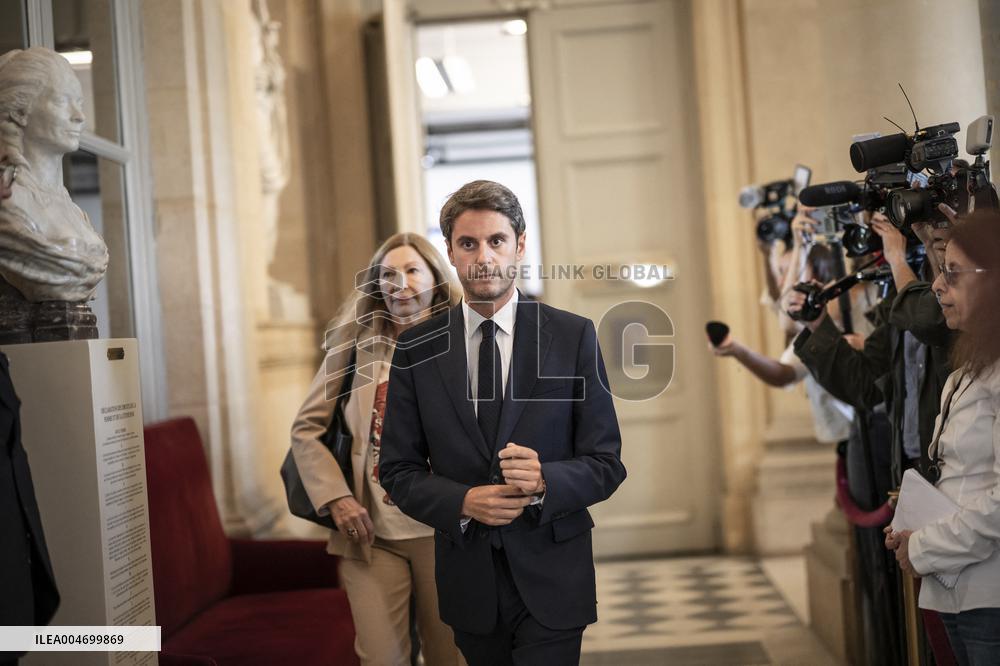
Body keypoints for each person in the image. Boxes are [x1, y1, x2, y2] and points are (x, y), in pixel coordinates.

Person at [379, 180, 627, 665]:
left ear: (520, 245)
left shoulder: (572, 336)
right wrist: (464, 500)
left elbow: (607, 463)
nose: (484, 257)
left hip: (555, 576)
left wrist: (545, 480)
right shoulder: (415, 348)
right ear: (449, 251)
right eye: (468, 244)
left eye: (496, 241)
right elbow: (397, 469)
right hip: (470, 584)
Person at [290, 233, 464, 666]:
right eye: (387, 274)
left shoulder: (466, 343)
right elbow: (306, 429)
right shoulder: (353, 349)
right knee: (381, 659)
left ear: (436, 281)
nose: (397, 282)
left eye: (410, 271)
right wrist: (337, 498)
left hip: (446, 534)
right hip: (370, 535)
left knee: (452, 657)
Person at [885, 210, 1000, 666]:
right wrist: (912, 531)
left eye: (952, 273)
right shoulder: (969, 368)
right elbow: (961, 477)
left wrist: (926, 545)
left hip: (988, 592)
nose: (936, 286)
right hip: (953, 586)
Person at [712, 242, 854, 445]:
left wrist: (737, 350)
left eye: (790, 272)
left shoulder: (834, 316)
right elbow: (778, 303)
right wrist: (767, 255)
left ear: (818, 274)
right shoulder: (810, 322)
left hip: (862, 429)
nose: (783, 282)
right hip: (845, 435)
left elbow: (784, 374)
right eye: (781, 273)